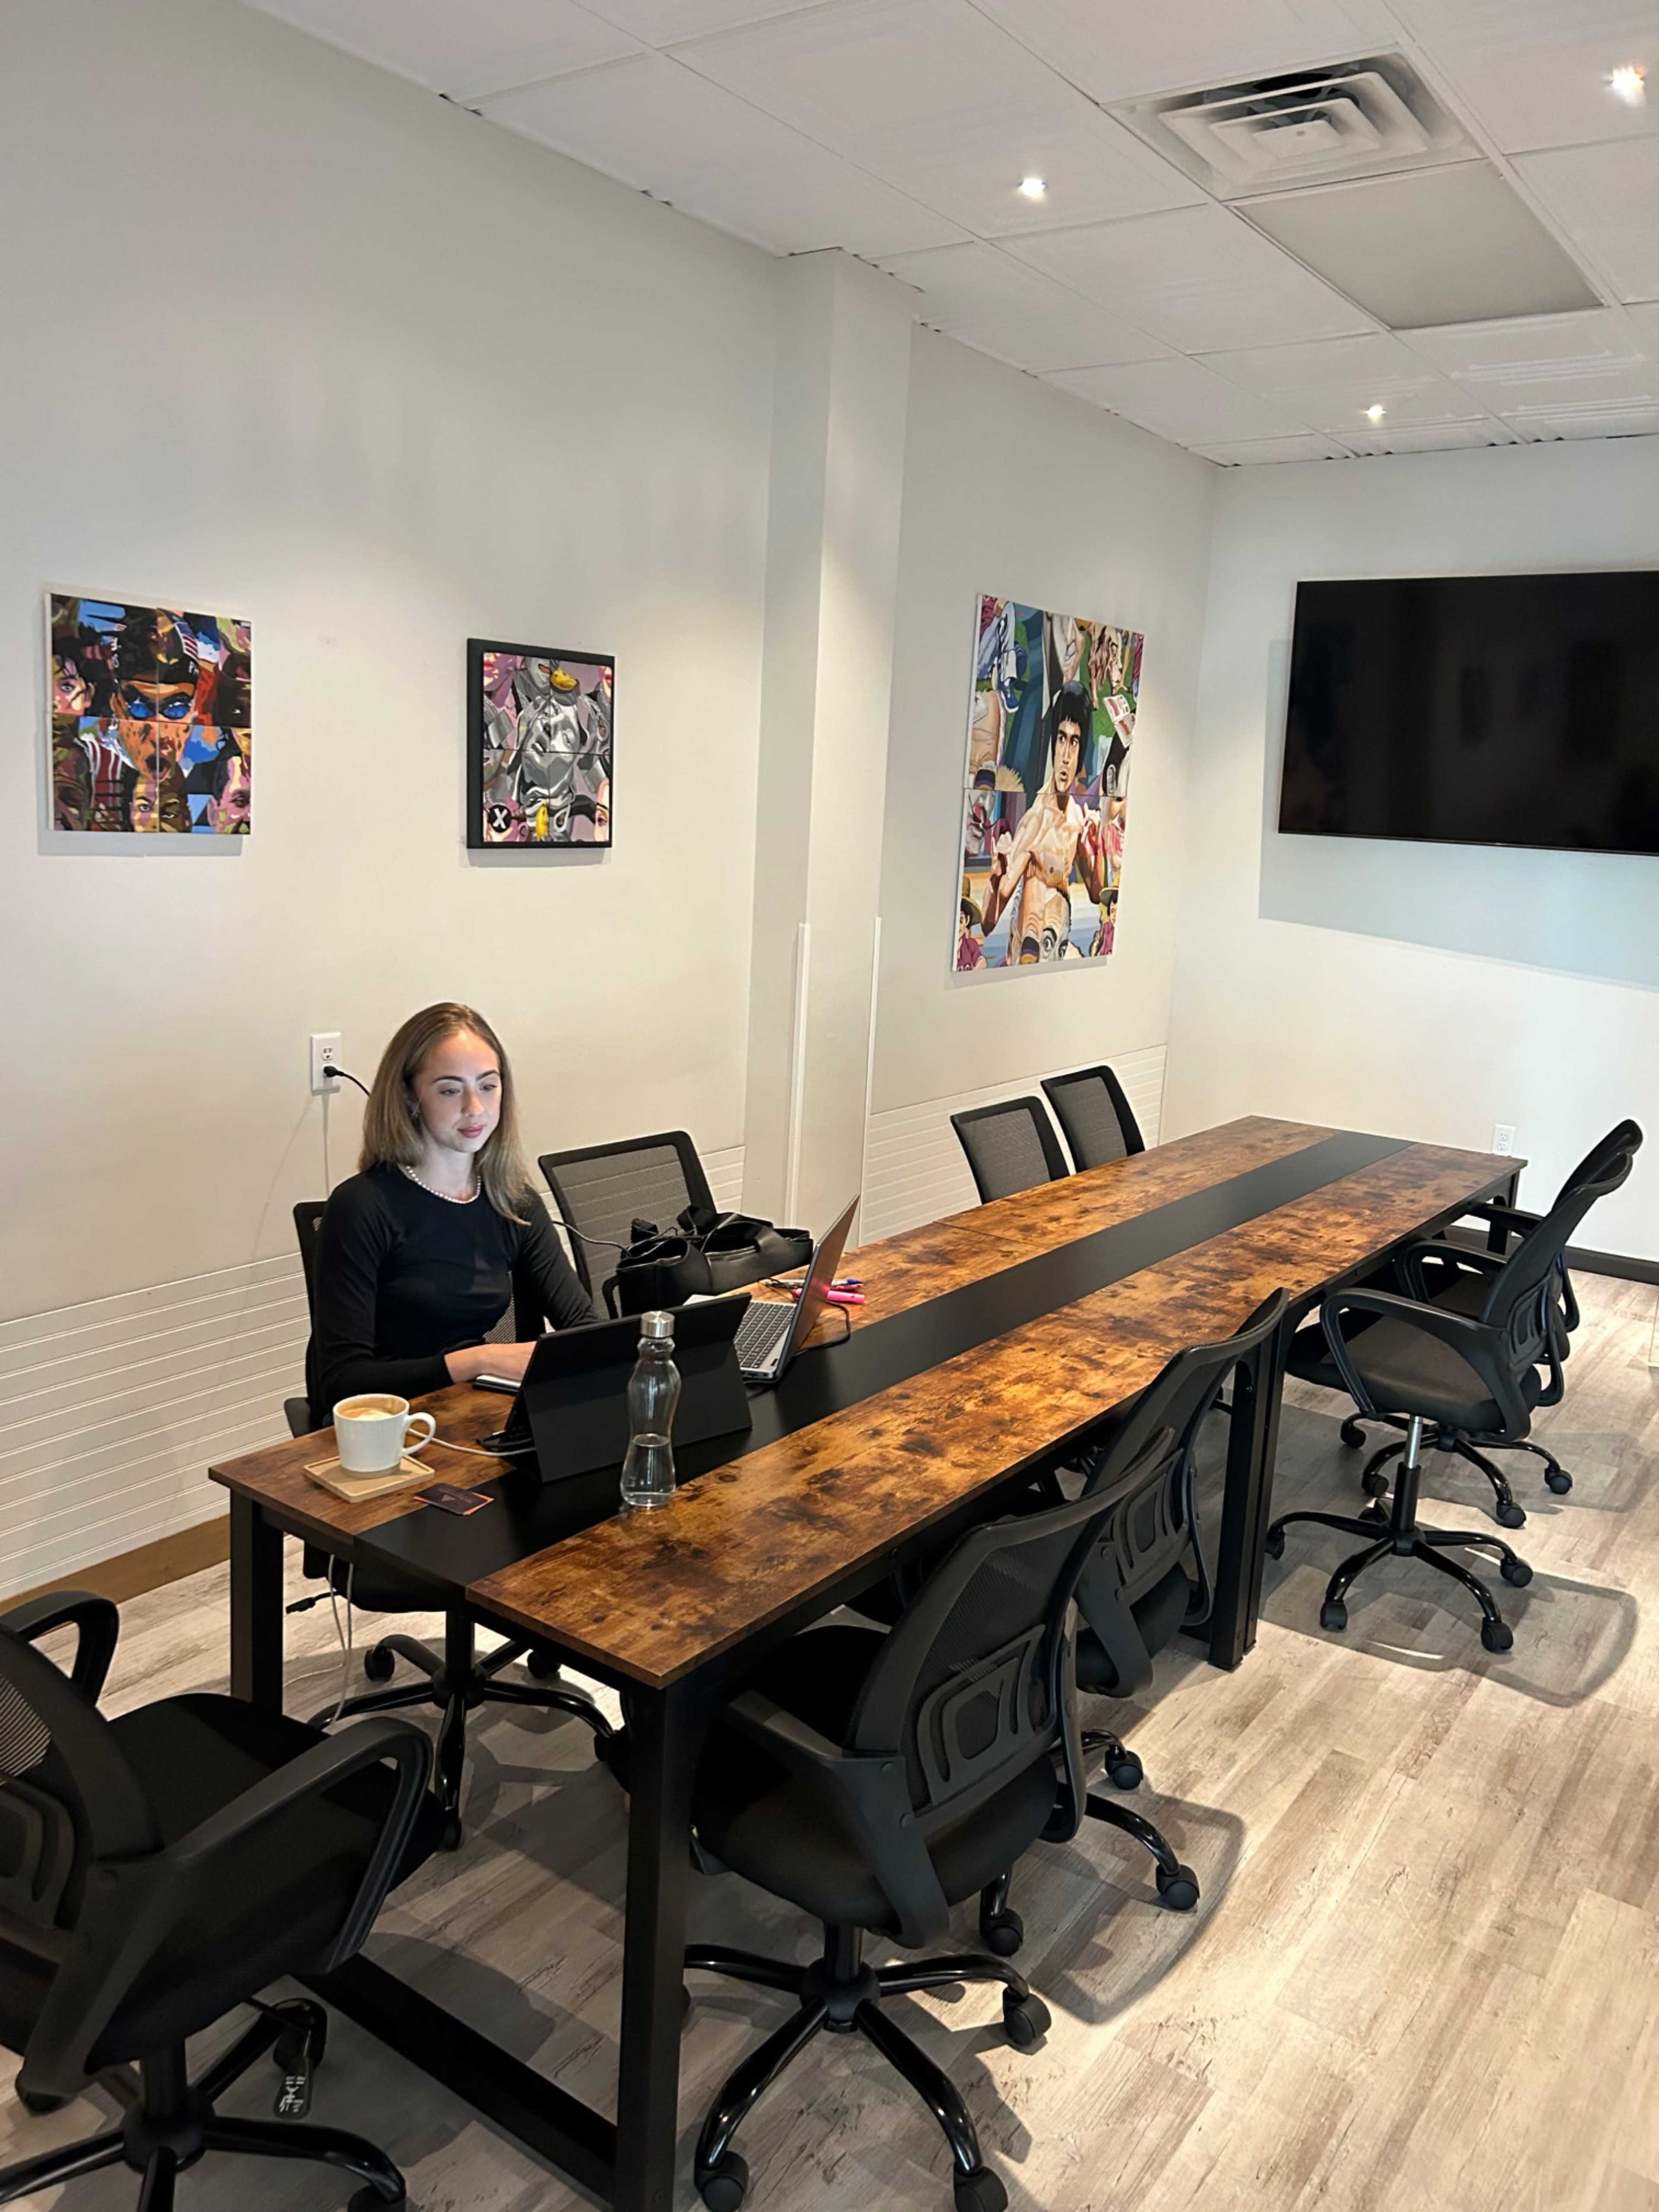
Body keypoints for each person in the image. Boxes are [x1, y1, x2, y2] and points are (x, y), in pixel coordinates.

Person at [311, 1002, 594, 1413]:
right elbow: (341, 1382)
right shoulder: (362, 1207)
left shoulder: (513, 1200)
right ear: (410, 1097)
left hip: (474, 1413)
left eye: (488, 1086)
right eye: (450, 1090)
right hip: (384, 1429)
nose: (474, 1108)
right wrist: (480, 1360)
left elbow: (583, 1327)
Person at [979, 678, 1103, 963]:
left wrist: (1095, 849)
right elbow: (988, 923)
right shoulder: (1034, 823)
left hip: (1058, 948)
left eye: (1075, 742)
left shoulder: (1076, 819)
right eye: (1061, 738)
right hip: (1028, 954)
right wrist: (995, 880)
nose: (1066, 756)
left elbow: (1096, 894)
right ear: (1051, 743)